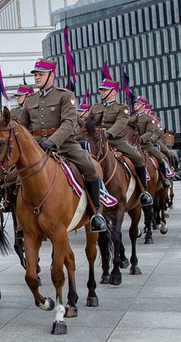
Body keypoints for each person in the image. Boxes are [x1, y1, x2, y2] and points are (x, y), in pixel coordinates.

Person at [16, 58, 107, 232]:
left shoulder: (65, 95)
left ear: (52, 75)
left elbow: (68, 122)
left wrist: (53, 141)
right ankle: (23, 220)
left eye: (41, 75)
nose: (37, 78)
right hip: (37, 146)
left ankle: (96, 213)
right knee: (15, 176)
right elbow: (22, 126)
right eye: (35, 75)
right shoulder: (30, 100)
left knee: (89, 167)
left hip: (64, 144)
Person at [89, 79, 154, 204]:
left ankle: (144, 191)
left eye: (104, 90)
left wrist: (108, 133)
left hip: (115, 141)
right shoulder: (96, 107)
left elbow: (121, 122)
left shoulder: (122, 108)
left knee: (138, 157)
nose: (101, 92)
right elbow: (88, 123)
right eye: (101, 90)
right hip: (97, 142)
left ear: (113, 92)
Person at [133, 97, 172, 189]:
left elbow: (152, 132)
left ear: (143, 106)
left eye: (137, 104)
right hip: (133, 144)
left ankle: (164, 178)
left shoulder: (150, 119)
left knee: (160, 157)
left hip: (145, 144)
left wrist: (143, 139)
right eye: (135, 104)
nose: (135, 106)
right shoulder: (132, 118)